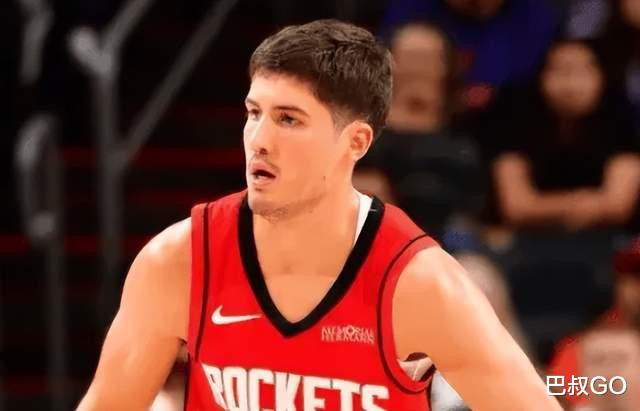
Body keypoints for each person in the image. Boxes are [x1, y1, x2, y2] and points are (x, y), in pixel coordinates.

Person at [76, 19, 560, 410]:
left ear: (356, 142)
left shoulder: (419, 284)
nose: (259, 139)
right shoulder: (179, 261)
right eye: (254, 113)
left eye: (289, 119)